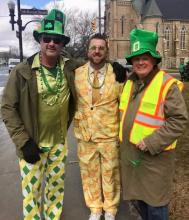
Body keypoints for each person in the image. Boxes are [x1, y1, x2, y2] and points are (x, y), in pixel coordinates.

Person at [1, 9, 82, 220]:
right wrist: (22, 141)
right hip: (32, 144)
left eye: (57, 39)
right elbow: (7, 108)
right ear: (40, 41)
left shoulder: (70, 67)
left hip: (58, 144)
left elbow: (95, 62)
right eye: (47, 38)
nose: (52, 43)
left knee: (55, 191)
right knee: (31, 194)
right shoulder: (22, 71)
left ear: (62, 43)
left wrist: (115, 66)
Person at [119, 28, 188, 220]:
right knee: (139, 206)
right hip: (133, 160)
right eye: (136, 58)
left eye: (145, 57)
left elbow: (179, 120)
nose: (140, 62)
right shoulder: (131, 83)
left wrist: (151, 142)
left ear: (154, 60)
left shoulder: (167, 84)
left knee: (155, 208)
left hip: (155, 162)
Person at [73, 33, 124, 220]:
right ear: (88, 50)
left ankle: (110, 208)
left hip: (109, 134)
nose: (97, 51)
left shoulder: (117, 74)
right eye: (93, 48)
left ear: (106, 51)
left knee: (111, 174)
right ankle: (95, 208)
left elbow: (123, 104)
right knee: (89, 174)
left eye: (101, 48)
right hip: (85, 135)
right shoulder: (76, 74)